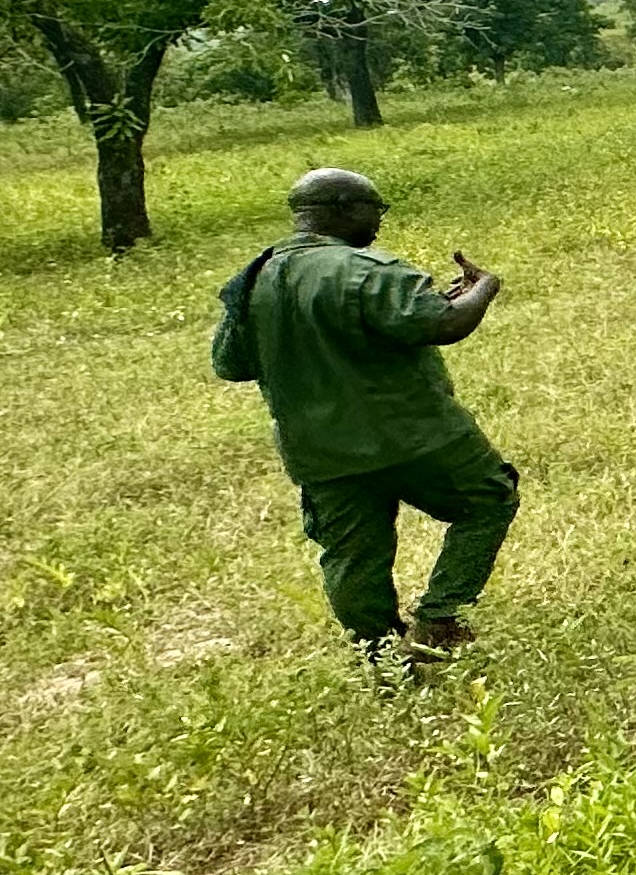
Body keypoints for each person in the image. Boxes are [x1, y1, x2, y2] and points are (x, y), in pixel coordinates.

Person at [210, 167, 519, 665]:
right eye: (375, 208)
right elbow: (443, 323)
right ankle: (438, 619)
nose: (378, 221)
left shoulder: (253, 280)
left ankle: (381, 661)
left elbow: (229, 363)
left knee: (352, 556)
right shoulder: (369, 269)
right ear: (343, 209)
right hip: (416, 434)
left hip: (320, 450)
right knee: (488, 500)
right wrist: (482, 288)